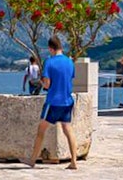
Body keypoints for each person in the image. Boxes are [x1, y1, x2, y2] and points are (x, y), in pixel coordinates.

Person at [24, 36, 78, 170]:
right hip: (67, 101)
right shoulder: (70, 62)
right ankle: (74, 161)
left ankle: (32, 160)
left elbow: (47, 84)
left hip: (53, 101)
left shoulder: (49, 62)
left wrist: (43, 83)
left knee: (41, 130)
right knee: (68, 129)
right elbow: (70, 78)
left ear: (50, 48)